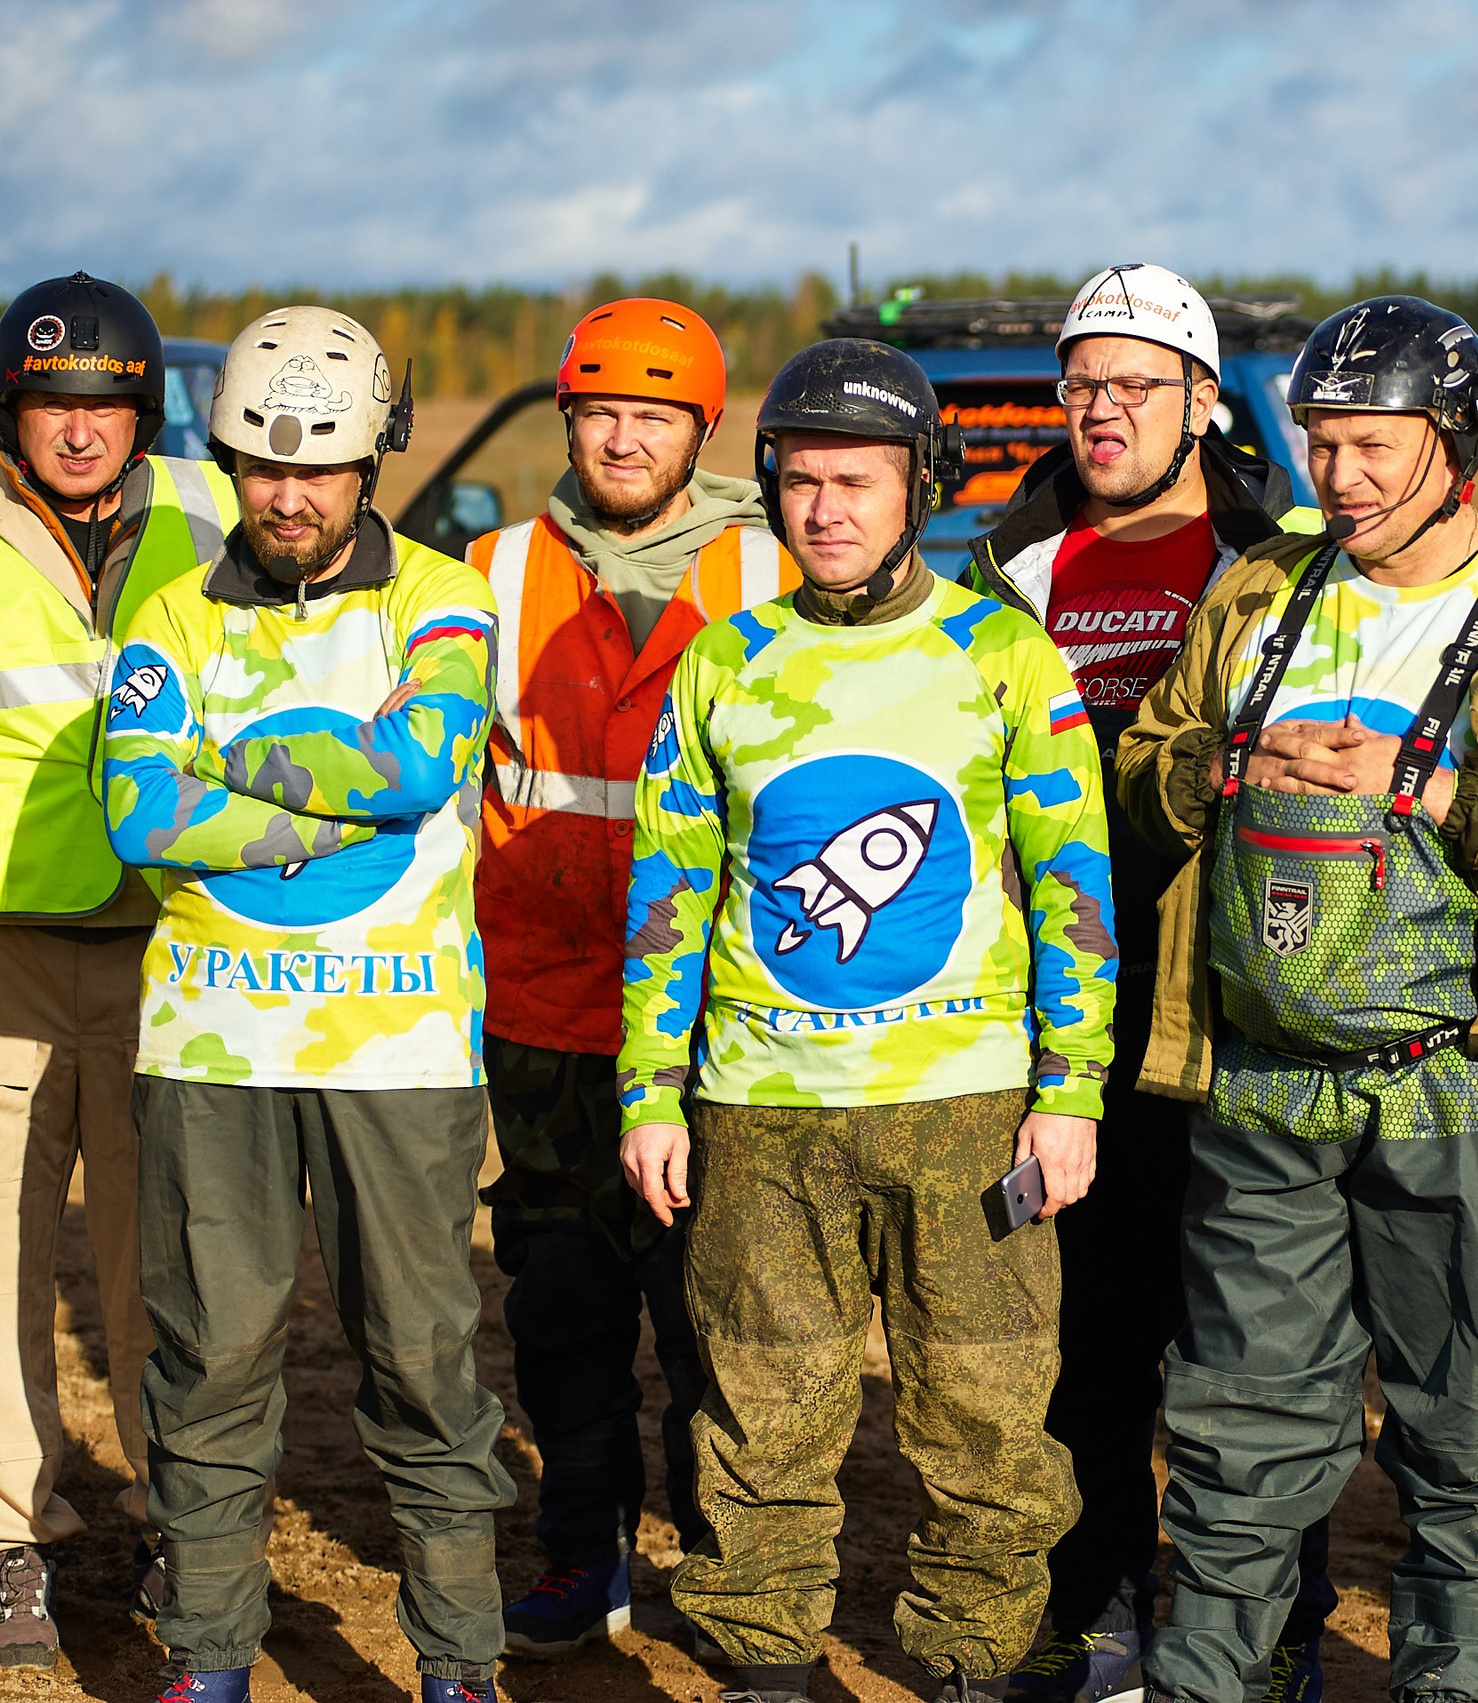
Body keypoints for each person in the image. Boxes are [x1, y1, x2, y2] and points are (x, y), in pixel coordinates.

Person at [1116, 296, 1478, 1703]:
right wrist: (1229, 765)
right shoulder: (1256, 591)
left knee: (1469, 1433)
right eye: (1320, 442)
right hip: (1260, 1081)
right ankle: (1211, 1677)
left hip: (1471, 1083)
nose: (1338, 476)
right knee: (1235, 1421)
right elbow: (1141, 777)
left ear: (1457, 441)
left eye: (1372, 445)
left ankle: (1457, 1678)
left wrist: (1431, 787)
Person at [616, 338, 1116, 1703]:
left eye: (858, 481)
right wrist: (651, 1090)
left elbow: (1073, 887)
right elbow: (669, 889)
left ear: (919, 489)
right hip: (761, 1113)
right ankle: (766, 1665)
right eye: (801, 480)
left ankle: (972, 1661)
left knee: (991, 1416)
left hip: (969, 1110)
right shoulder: (724, 664)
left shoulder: (1003, 656)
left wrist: (1070, 1089)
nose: (825, 508)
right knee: (760, 1412)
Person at [101, 306, 507, 1703]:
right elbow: (139, 812)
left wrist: (229, 767)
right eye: (265, 466)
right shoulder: (170, 612)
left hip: (402, 1049)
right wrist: (333, 813)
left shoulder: (442, 597)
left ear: (370, 464)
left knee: (424, 1360)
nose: (289, 496)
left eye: (321, 468)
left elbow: (424, 761)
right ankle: (210, 1653)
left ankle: (457, 1663)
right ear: (228, 461)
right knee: (209, 1358)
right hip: (211, 1045)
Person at [964, 262, 1333, 1703]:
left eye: (1133, 383)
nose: (1102, 410)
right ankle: (1094, 1604)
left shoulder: (1281, 560)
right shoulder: (1010, 568)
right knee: (1088, 1340)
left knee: (1257, 1342)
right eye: (1081, 385)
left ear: (1202, 398)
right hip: (1073, 1015)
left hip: (1241, 1002)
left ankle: (1275, 1623)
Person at [0, 272, 236, 1667]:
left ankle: (174, 1515)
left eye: (107, 406)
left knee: (170, 1255)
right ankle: (4, 1535)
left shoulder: (212, 512)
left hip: (168, 943)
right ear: (7, 409)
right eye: (50, 405)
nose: (79, 431)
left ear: (143, 414)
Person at [467, 296, 796, 1659]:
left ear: (701, 430)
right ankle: (580, 1547)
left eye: (653, 416)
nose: (620, 439)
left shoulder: (775, 570)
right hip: (543, 1009)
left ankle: (727, 1567)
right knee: (562, 1303)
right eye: (598, 411)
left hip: (720, 1019)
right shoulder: (490, 572)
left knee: (718, 1307)